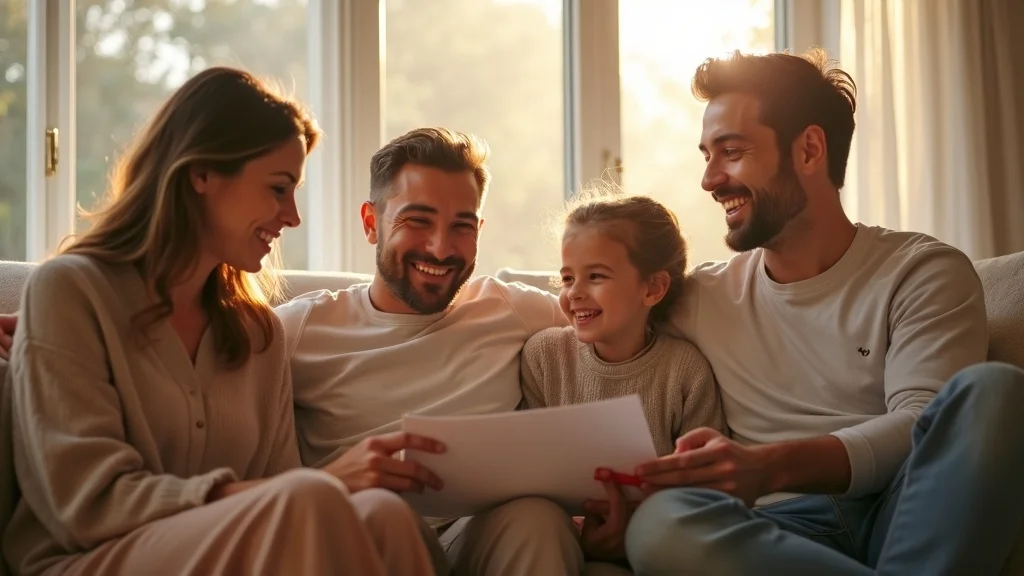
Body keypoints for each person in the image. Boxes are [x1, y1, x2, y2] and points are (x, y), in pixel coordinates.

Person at [0, 67, 437, 576]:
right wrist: (322, 484)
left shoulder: (257, 335)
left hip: (228, 551)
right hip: (87, 556)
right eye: (278, 188)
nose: (292, 216)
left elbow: (280, 491)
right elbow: (86, 503)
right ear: (202, 173)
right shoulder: (71, 292)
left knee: (383, 513)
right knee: (309, 497)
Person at [621, 49, 1024, 575]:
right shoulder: (701, 297)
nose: (710, 179)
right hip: (776, 532)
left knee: (996, 393)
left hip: (904, 510)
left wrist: (766, 467)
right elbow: (589, 308)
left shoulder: (922, 271)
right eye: (706, 155)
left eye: (732, 151)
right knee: (661, 522)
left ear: (809, 149)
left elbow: (919, 424)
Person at [275, 127, 629, 576]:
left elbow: (626, 317)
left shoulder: (509, 308)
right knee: (382, 515)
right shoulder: (298, 330)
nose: (441, 248)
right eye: (417, 221)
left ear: (479, 230)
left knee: (536, 518)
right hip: (368, 536)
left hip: (479, 533)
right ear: (370, 223)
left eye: (461, 226)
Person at [520, 190, 726, 566]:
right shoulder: (544, 357)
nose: (574, 293)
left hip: (657, 548)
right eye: (567, 278)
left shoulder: (685, 370)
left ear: (653, 288)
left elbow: (709, 492)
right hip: (559, 542)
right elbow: (526, 469)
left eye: (595, 276)